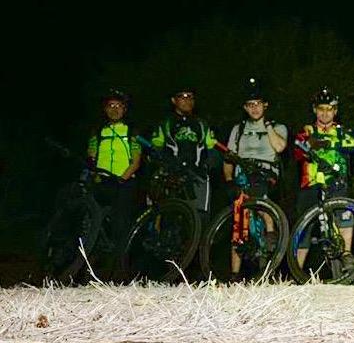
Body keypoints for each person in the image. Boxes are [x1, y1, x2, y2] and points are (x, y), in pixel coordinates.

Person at [222, 78, 288, 275]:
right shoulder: (238, 129)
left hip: (266, 174)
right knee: (239, 221)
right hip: (243, 174)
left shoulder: (277, 127)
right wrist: (228, 180)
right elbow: (229, 158)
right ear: (245, 107)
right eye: (250, 105)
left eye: (258, 104)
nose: (254, 108)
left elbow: (279, 147)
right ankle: (234, 274)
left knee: (258, 198)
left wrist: (267, 125)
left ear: (265, 105)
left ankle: (270, 232)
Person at [292, 87, 354, 268]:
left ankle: (346, 254)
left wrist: (326, 142)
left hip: (337, 181)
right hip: (312, 182)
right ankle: (296, 269)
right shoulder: (307, 129)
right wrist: (311, 143)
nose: (325, 113)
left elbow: (352, 145)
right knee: (304, 227)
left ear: (335, 111)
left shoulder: (341, 131)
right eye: (321, 108)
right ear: (315, 110)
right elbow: (298, 150)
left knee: (345, 215)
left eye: (329, 109)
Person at [86, 88, 142, 247]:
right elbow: (91, 155)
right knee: (90, 221)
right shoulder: (97, 131)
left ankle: (120, 260)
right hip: (101, 181)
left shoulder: (131, 130)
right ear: (105, 109)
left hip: (123, 182)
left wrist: (122, 179)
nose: (114, 109)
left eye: (119, 106)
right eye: (111, 105)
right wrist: (93, 173)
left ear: (124, 109)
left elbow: (136, 160)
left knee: (120, 223)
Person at [150, 85, 217, 215]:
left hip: (198, 176)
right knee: (170, 217)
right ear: (174, 100)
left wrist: (207, 166)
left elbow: (211, 149)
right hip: (173, 177)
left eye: (190, 97)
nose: (187, 100)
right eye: (182, 97)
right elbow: (155, 148)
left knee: (200, 216)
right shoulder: (166, 123)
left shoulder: (202, 123)